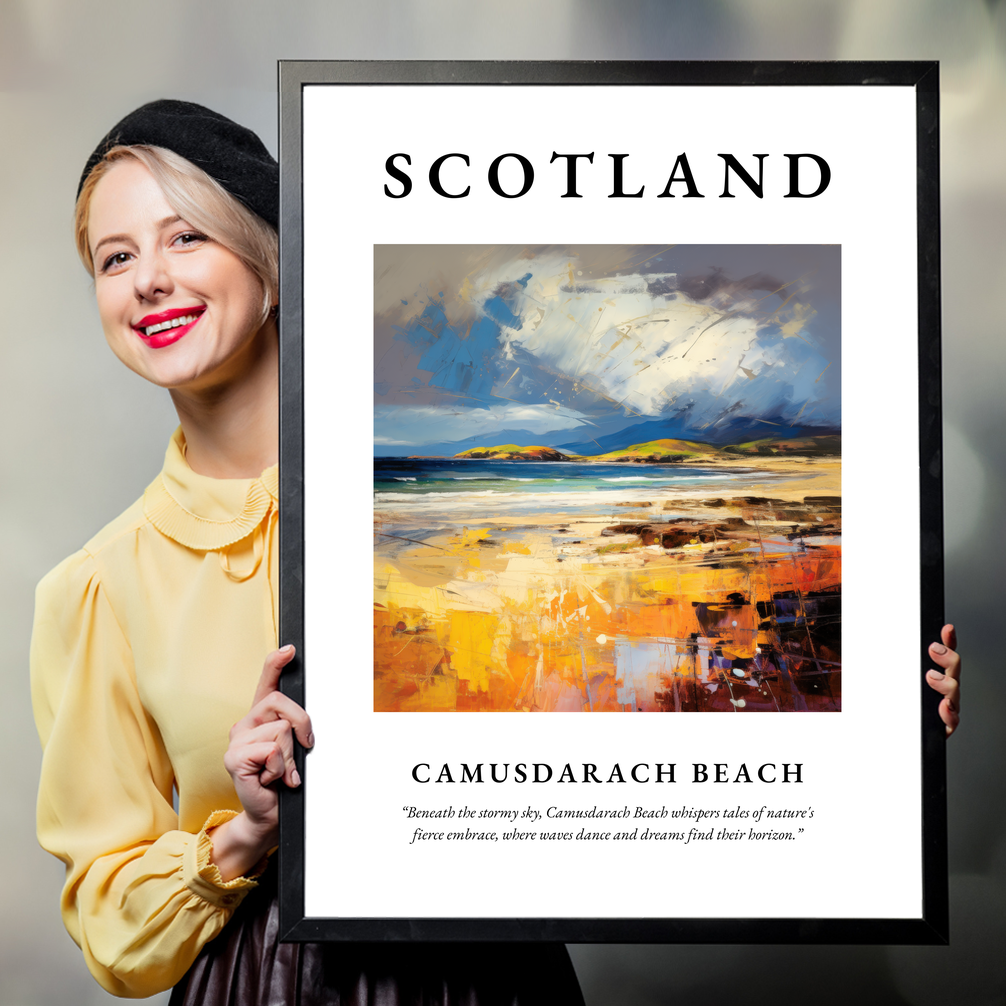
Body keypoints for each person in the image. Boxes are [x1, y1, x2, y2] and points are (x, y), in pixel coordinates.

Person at [30, 100, 586, 1004]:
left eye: (185, 239)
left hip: (492, 973)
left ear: (273, 263)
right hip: (262, 982)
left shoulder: (447, 508)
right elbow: (110, 923)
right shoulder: (97, 587)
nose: (148, 281)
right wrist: (245, 832)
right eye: (116, 257)